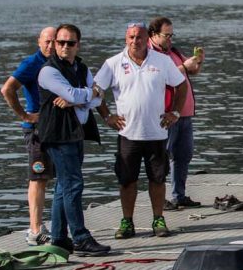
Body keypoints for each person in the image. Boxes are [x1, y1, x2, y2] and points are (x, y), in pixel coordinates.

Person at [94, 21, 187, 239]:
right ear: (126, 39)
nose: (135, 41)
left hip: (157, 132)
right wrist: (107, 116)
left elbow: (181, 85)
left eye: (140, 37)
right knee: (127, 180)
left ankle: (158, 219)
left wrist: (175, 112)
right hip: (128, 133)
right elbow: (97, 90)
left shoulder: (162, 61)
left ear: (148, 39)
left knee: (158, 179)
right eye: (131, 37)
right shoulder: (113, 63)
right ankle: (127, 222)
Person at [36, 24, 111, 255]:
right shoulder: (48, 71)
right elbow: (78, 93)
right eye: (60, 42)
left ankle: (59, 238)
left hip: (76, 132)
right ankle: (80, 237)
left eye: (70, 43)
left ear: (78, 45)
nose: (65, 47)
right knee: (73, 185)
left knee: (63, 186)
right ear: (54, 44)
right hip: (58, 134)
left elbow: (97, 100)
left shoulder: (81, 67)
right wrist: (86, 94)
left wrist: (81, 97)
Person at [0, 26, 56, 246]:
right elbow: (7, 89)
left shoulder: (58, 63)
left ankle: (49, 225)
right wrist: (24, 114)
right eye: (47, 41)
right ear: (39, 42)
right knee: (38, 177)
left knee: (50, 178)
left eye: (55, 41)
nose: (51, 46)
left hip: (54, 127)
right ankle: (34, 230)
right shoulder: (31, 63)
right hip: (36, 130)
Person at [148, 16, 205, 210]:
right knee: (162, 157)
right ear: (154, 35)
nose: (170, 39)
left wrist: (197, 64)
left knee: (184, 154)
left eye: (172, 35)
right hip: (166, 114)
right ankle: (160, 198)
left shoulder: (172, 51)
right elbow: (159, 79)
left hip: (184, 113)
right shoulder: (149, 55)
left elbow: (189, 73)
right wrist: (184, 67)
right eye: (166, 35)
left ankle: (178, 195)